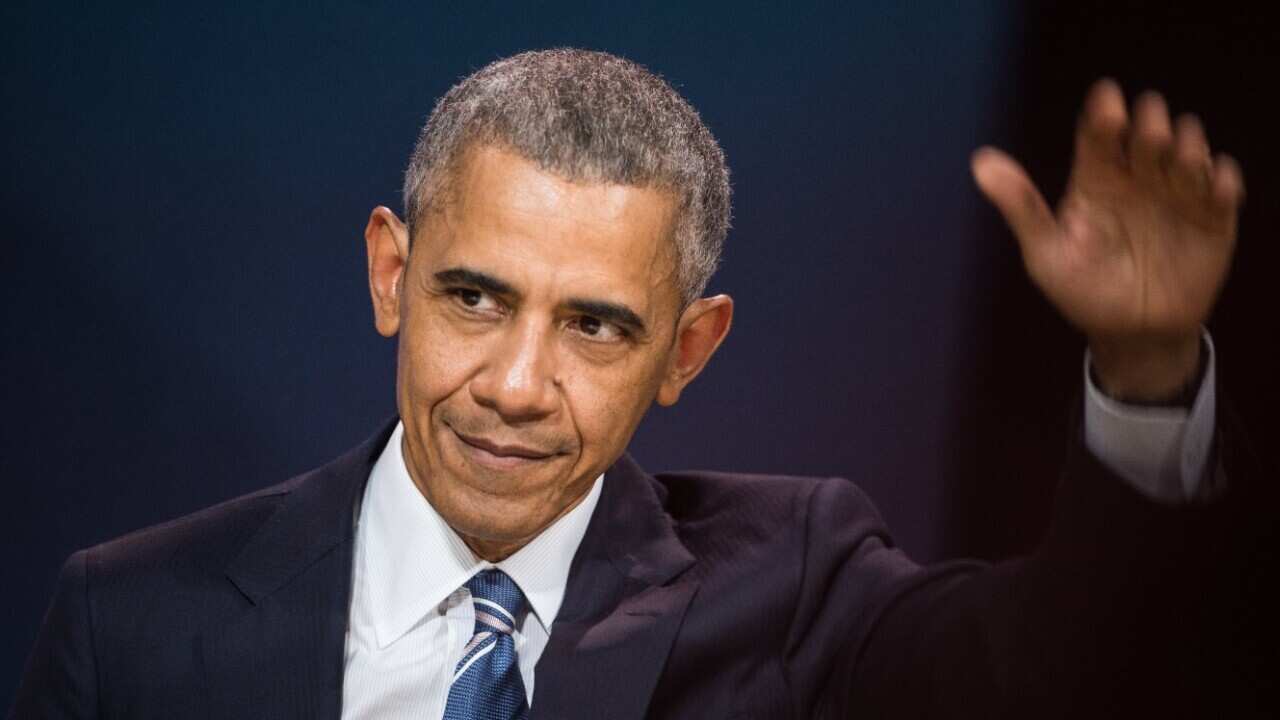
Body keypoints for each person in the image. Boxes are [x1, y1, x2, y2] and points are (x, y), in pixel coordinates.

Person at [10, 48, 1249, 719]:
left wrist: (1143, 375)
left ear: (686, 351)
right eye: (473, 297)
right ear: (391, 274)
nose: (516, 383)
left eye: (595, 327)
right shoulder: (133, 626)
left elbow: (1065, 685)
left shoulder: (796, 590)